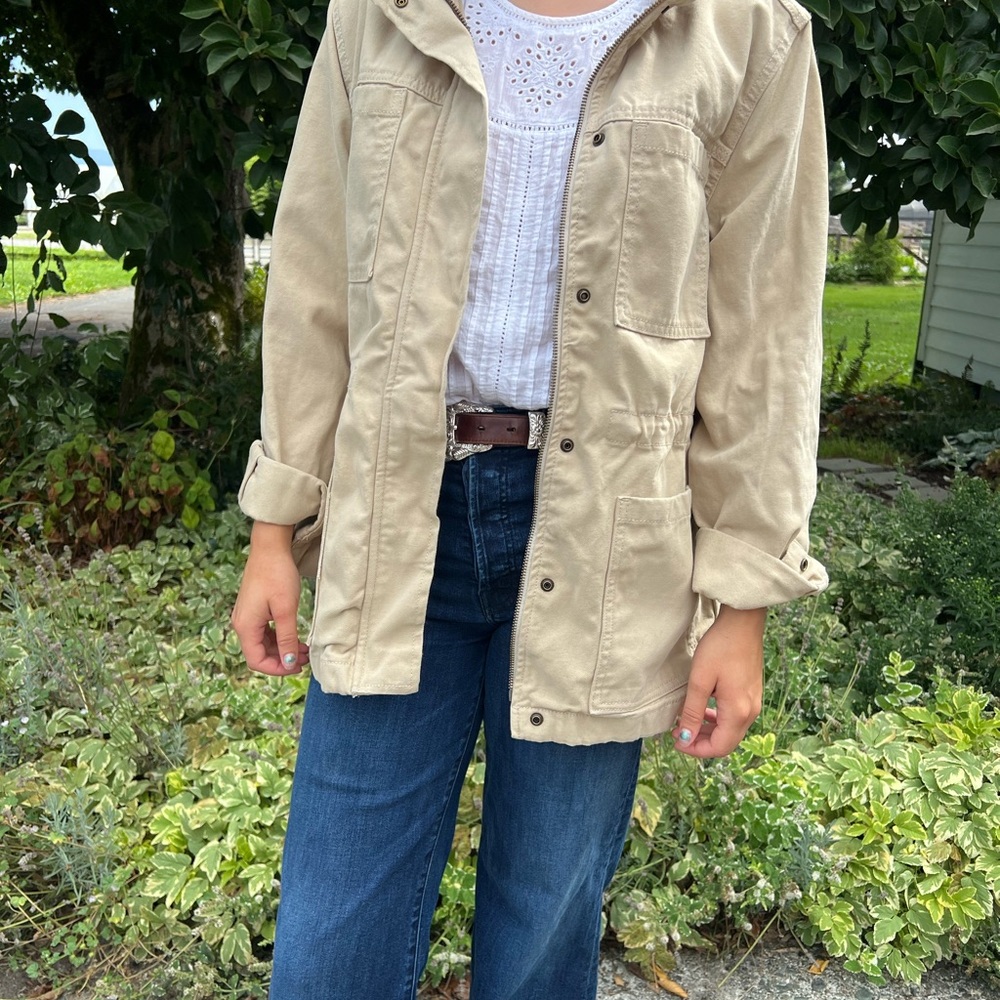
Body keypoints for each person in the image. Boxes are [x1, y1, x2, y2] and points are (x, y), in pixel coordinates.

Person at [231, 0, 829, 993]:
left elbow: (766, 329)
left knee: (544, 924)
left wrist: (743, 596)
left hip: (609, 537)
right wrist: (273, 527)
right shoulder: (377, 16)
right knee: (333, 929)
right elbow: (313, 282)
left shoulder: (746, 32)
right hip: (395, 514)